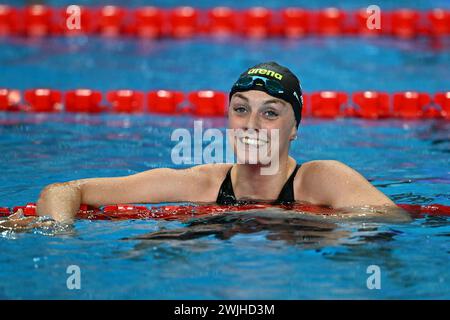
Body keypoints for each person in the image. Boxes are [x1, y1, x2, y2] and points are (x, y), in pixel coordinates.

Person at [5, 61, 409, 227]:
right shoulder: (202, 183)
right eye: (240, 109)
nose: (251, 124)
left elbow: (392, 221)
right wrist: (56, 234)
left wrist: (284, 219)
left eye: (271, 113)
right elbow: (64, 190)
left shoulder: (322, 179)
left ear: (295, 129)